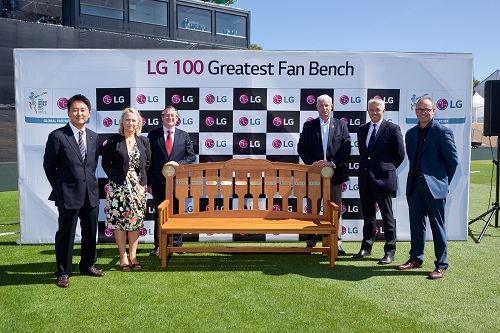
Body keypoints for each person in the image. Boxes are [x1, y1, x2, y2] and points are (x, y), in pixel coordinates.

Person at [43, 94, 104, 288]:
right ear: (69, 112)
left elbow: (91, 166)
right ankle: (63, 272)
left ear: (89, 113)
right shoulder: (57, 136)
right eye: (75, 110)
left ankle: (87, 265)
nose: (79, 113)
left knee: (90, 232)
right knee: (66, 234)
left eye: (83, 110)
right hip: (67, 194)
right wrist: (61, 188)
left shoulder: (94, 137)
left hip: (91, 193)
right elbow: (49, 166)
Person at [397, 97, 458, 279]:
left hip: (434, 187)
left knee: (437, 227)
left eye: (426, 109)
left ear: (433, 111)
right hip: (415, 184)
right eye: (419, 109)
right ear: (415, 111)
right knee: (416, 225)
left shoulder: (443, 132)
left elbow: (452, 162)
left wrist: (442, 181)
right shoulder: (410, 133)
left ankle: (441, 265)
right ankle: (416, 258)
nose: (422, 112)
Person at [297, 94, 352, 255]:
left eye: (327, 105)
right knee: (313, 208)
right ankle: (311, 242)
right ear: (317, 107)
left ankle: (337, 243)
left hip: (335, 175)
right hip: (314, 175)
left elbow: (346, 149)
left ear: (332, 106)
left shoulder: (341, 125)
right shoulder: (309, 126)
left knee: (335, 209)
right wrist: (316, 163)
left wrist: (332, 163)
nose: (324, 108)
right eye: (321, 105)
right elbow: (302, 148)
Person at [354, 98, 405, 264]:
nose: (374, 112)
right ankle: (366, 247)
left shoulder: (392, 129)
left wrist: (386, 168)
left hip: (384, 180)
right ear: (368, 111)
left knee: (387, 217)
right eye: (371, 109)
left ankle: (389, 251)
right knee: (368, 216)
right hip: (365, 179)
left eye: (377, 109)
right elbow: (364, 154)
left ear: (384, 110)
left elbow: (400, 154)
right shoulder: (362, 129)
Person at [102, 108, 151, 271]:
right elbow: (105, 163)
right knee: (120, 223)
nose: (130, 123)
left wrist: (139, 181)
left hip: (138, 188)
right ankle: (123, 257)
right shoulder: (113, 141)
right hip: (118, 189)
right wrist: (118, 179)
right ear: (122, 121)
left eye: (134, 120)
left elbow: (148, 163)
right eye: (127, 119)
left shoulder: (144, 141)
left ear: (138, 123)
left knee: (135, 222)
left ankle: (133, 256)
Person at [148, 106, 196, 256]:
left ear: (177, 118)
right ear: (162, 117)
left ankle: (177, 244)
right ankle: (158, 245)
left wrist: (178, 164)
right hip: (158, 182)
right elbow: (148, 160)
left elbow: (191, 157)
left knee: (177, 213)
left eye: (173, 116)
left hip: (179, 182)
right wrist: (149, 182)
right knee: (159, 214)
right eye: (167, 115)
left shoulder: (184, 135)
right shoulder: (152, 135)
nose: (170, 118)